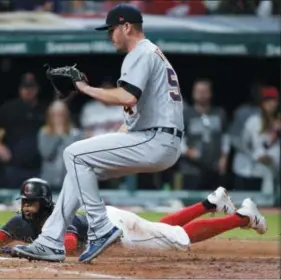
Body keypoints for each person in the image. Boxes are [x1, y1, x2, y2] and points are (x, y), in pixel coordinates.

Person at [12, 4, 186, 263]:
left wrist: (84, 88)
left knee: (73, 152)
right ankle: (50, 241)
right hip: (157, 139)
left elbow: (126, 95)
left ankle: (101, 228)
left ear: (127, 27)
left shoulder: (140, 52)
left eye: (112, 29)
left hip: (156, 140)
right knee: (80, 167)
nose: (109, 35)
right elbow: (131, 116)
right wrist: (105, 148)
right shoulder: (152, 55)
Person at [0, 181, 268, 257]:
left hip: (117, 231)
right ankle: (210, 203)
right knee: (164, 228)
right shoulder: (22, 223)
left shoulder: (60, 218)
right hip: (110, 220)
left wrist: (34, 253)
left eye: (31, 203)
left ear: (45, 204)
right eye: (24, 202)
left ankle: (241, 217)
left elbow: (71, 245)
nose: (25, 208)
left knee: (180, 238)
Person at [0, 73, 45, 188]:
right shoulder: (9, 109)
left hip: (39, 169)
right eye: (25, 88)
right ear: (20, 89)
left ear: (37, 89)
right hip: (13, 169)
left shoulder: (45, 110)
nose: (28, 91)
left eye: (31, 87)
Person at [179, 78, 229, 190]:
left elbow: (225, 137)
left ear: (210, 93)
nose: (201, 94)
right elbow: (176, 137)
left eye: (204, 91)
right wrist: (187, 150)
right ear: (193, 93)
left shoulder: (220, 113)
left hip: (214, 167)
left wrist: (224, 157)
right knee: (192, 204)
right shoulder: (185, 114)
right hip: (191, 168)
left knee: (215, 204)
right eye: (198, 91)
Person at [234, 86, 280, 194]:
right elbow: (244, 145)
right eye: (267, 100)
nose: (271, 104)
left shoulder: (278, 121)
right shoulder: (253, 121)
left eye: (274, 100)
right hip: (258, 167)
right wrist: (257, 156)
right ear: (262, 103)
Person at [38, 101, 82, 191]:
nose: (58, 117)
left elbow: (76, 155)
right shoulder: (44, 133)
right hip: (49, 180)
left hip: (69, 180)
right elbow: (46, 154)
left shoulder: (75, 133)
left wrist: (64, 135)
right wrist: (57, 137)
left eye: (61, 114)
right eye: (55, 114)